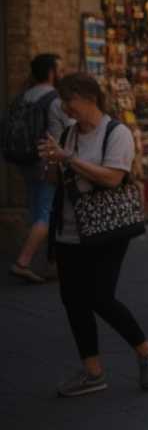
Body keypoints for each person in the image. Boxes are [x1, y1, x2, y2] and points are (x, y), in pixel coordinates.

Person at [37, 73, 148, 396]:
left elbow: (112, 178)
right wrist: (53, 160)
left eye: (69, 101)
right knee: (74, 301)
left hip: (107, 231)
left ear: (90, 99)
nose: (65, 108)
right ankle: (91, 371)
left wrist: (68, 159)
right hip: (69, 231)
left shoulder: (116, 133)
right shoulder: (68, 134)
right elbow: (54, 181)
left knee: (99, 296)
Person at [9, 53, 69, 283]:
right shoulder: (55, 99)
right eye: (60, 70)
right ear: (52, 73)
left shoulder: (24, 96)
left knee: (36, 208)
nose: (62, 74)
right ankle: (23, 262)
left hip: (25, 160)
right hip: (46, 160)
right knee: (45, 212)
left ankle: (37, 260)